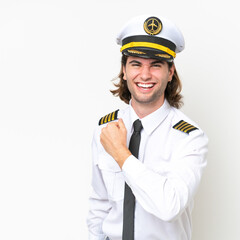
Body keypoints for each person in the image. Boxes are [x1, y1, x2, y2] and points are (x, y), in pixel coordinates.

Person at [87, 15, 208, 240]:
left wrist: (121, 155)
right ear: (124, 70)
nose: (144, 75)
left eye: (156, 65)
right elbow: (99, 204)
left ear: (170, 73)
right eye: (135, 64)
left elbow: (170, 206)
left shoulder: (190, 137)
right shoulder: (106, 128)